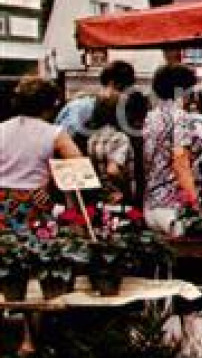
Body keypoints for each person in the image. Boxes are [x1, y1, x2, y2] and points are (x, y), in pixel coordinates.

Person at [0, 75, 82, 230]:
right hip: (35, 202)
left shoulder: (1, 129)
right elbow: (78, 166)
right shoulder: (55, 134)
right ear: (50, 105)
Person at [142, 63, 200, 234]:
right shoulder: (180, 118)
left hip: (149, 205)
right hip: (172, 206)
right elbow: (180, 162)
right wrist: (193, 201)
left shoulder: (149, 117)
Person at [55, 60, 136, 148]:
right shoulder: (82, 107)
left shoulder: (117, 110)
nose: (126, 97)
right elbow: (64, 141)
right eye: (125, 91)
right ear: (112, 84)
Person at [86, 90, 147, 205]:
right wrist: (126, 189)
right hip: (120, 198)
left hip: (102, 196)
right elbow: (112, 170)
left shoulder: (93, 138)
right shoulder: (120, 138)